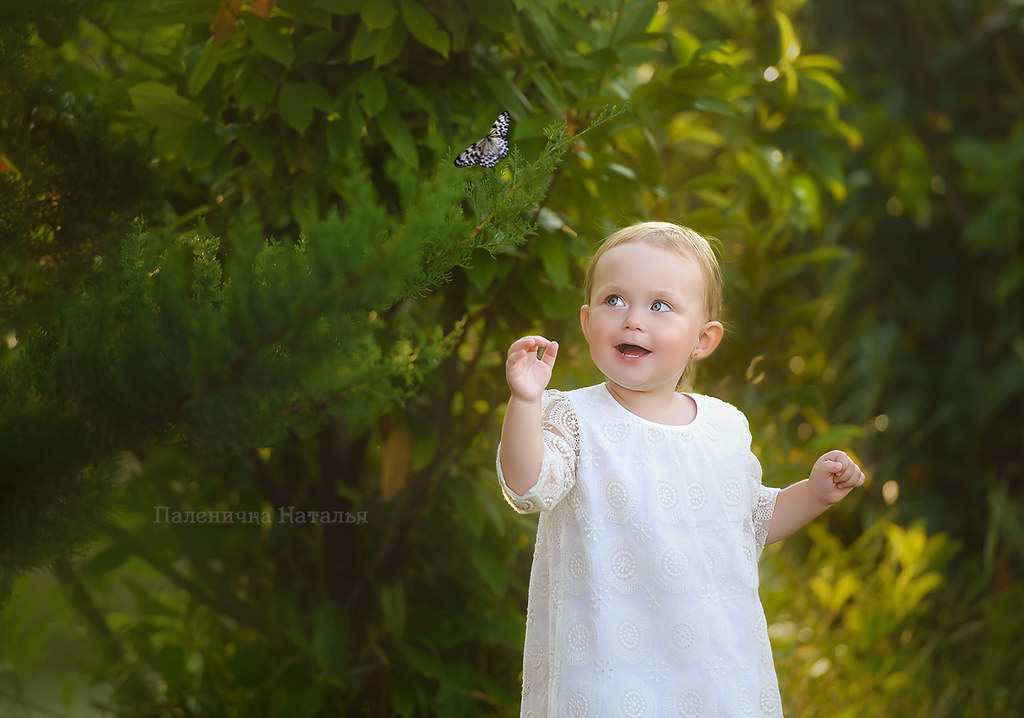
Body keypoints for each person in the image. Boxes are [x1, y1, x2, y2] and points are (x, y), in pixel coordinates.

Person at [496, 221, 865, 717]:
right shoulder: (576, 418)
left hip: (713, 669)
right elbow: (529, 485)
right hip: (610, 667)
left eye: (660, 306)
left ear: (703, 339)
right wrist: (525, 402)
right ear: (586, 321)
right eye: (614, 300)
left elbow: (749, 521)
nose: (633, 320)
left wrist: (814, 494)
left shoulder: (724, 426)